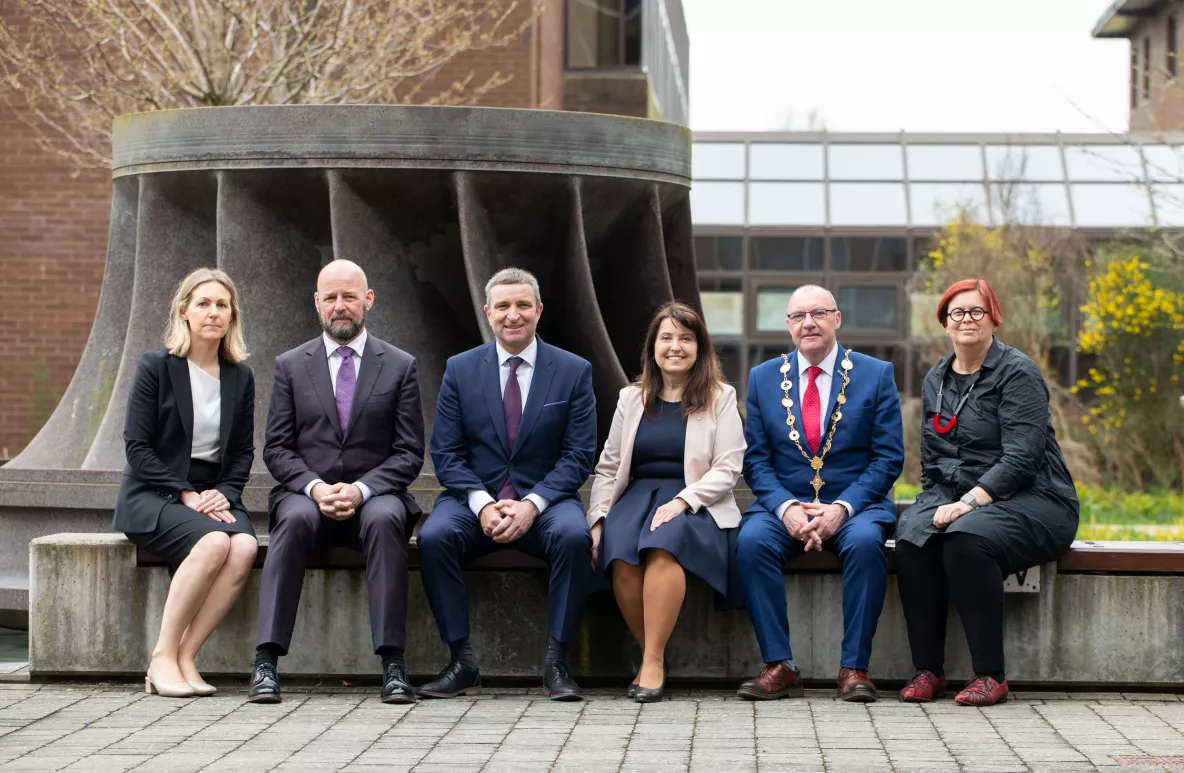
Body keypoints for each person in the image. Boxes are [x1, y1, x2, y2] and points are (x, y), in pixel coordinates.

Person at [248, 259, 425, 705]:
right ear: (317, 303)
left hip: (377, 495)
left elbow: (408, 452)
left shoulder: (400, 365)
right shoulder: (290, 365)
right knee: (291, 521)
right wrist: (315, 488)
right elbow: (277, 448)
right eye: (331, 297)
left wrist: (362, 489)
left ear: (368, 300)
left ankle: (394, 666)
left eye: (349, 296)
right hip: (307, 496)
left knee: (386, 521)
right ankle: (266, 663)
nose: (340, 306)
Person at [895, 279, 1079, 707]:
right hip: (957, 496)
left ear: (994, 317)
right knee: (911, 537)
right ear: (945, 322)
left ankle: (990, 676)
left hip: (1036, 499)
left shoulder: (1018, 372)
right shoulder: (936, 378)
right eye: (957, 312)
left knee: (965, 539)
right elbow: (932, 455)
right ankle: (928, 671)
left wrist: (966, 504)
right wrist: (930, 506)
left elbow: (1022, 459)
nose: (967, 320)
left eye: (977, 311)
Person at [417, 267, 597, 701]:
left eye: (521, 305)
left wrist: (532, 504)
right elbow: (445, 452)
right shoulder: (460, 370)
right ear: (487, 312)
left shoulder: (573, 371)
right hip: (472, 499)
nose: (512, 315)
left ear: (538, 310)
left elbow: (579, 455)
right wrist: (481, 503)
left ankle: (557, 662)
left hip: (547, 503)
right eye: (502, 306)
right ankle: (462, 662)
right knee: (434, 536)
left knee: (575, 537)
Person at [734, 284, 904, 702]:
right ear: (788, 325)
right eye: (798, 316)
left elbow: (887, 458)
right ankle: (780, 666)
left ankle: (854, 668)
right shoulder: (761, 378)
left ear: (837, 318)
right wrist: (787, 508)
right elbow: (755, 460)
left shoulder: (875, 373)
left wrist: (841, 510)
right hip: (785, 504)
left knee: (866, 545)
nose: (808, 322)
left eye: (818, 313)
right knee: (751, 542)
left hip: (855, 505)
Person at [588, 302, 745, 703]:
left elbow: (728, 468)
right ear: (653, 347)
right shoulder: (631, 398)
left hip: (696, 500)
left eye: (686, 338)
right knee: (620, 554)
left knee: (662, 548)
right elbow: (608, 467)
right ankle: (650, 654)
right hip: (636, 497)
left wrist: (683, 501)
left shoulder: (720, 397)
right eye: (667, 338)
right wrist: (599, 518)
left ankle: (652, 663)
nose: (675, 346)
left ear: (700, 347)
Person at [114, 268, 257, 699]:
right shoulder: (156, 367)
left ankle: (187, 656)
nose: (213, 313)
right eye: (203, 304)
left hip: (210, 494)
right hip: (154, 492)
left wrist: (225, 493)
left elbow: (242, 454)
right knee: (215, 542)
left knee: (245, 546)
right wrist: (186, 493)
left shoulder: (240, 376)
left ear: (231, 316)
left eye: (222, 305)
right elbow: (137, 447)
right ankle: (161, 658)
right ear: (184, 312)